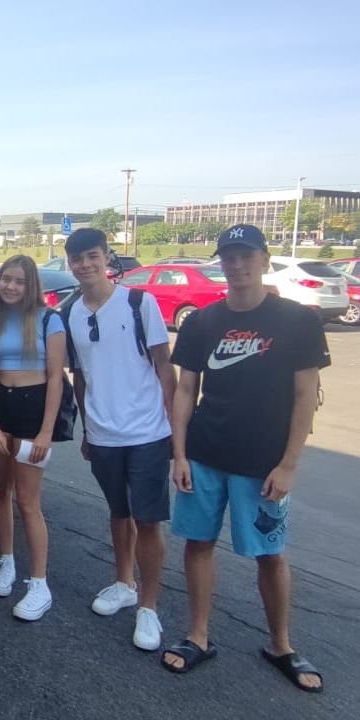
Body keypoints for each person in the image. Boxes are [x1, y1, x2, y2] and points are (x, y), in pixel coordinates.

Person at [162, 225, 327, 692]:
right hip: (205, 454)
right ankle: (198, 636)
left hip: (264, 464)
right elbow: (186, 391)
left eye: (246, 255)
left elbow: (305, 395)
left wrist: (289, 464)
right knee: (198, 544)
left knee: (270, 554)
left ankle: (281, 645)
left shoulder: (297, 320)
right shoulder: (201, 322)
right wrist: (179, 453)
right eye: (229, 257)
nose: (237, 265)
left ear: (264, 258)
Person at [63, 228, 176, 651]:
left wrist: (173, 427)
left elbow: (164, 366)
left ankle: (148, 606)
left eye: (92, 256)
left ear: (107, 258)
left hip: (147, 432)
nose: (85, 265)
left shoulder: (138, 303)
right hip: (103, 435)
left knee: (147, 519)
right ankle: (124, 583)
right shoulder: (70, 313)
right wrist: (87, 429)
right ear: (70, 264)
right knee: (118, 511)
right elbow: (79, 377)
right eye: (77, 258)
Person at [0, 255, 65, 620]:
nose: (11, 287)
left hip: (34, 408)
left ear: (31, 285)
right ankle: (7, 561)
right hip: (0, 402)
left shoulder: (49, 319)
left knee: (28, 501)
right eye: (6, 279)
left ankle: (39, 582)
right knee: (0, 490)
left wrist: (46, 431)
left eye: (19, 281)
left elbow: (57, 378)